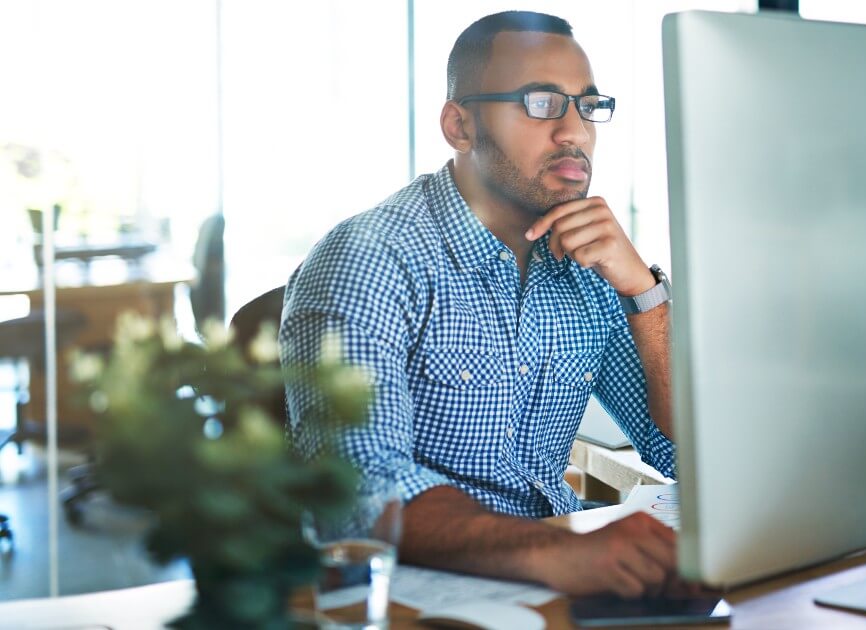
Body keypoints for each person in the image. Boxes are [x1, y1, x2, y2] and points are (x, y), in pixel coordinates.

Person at [281, 11, 680, 598]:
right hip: (408, 594)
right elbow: (360, 492)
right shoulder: (370, 259)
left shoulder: (591, 263)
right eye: (542, 103)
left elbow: (684, 453)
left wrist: (646, 295)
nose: (574, 132)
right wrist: (559, 551)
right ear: (460, 125)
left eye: (587, 106)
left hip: (552, 579)